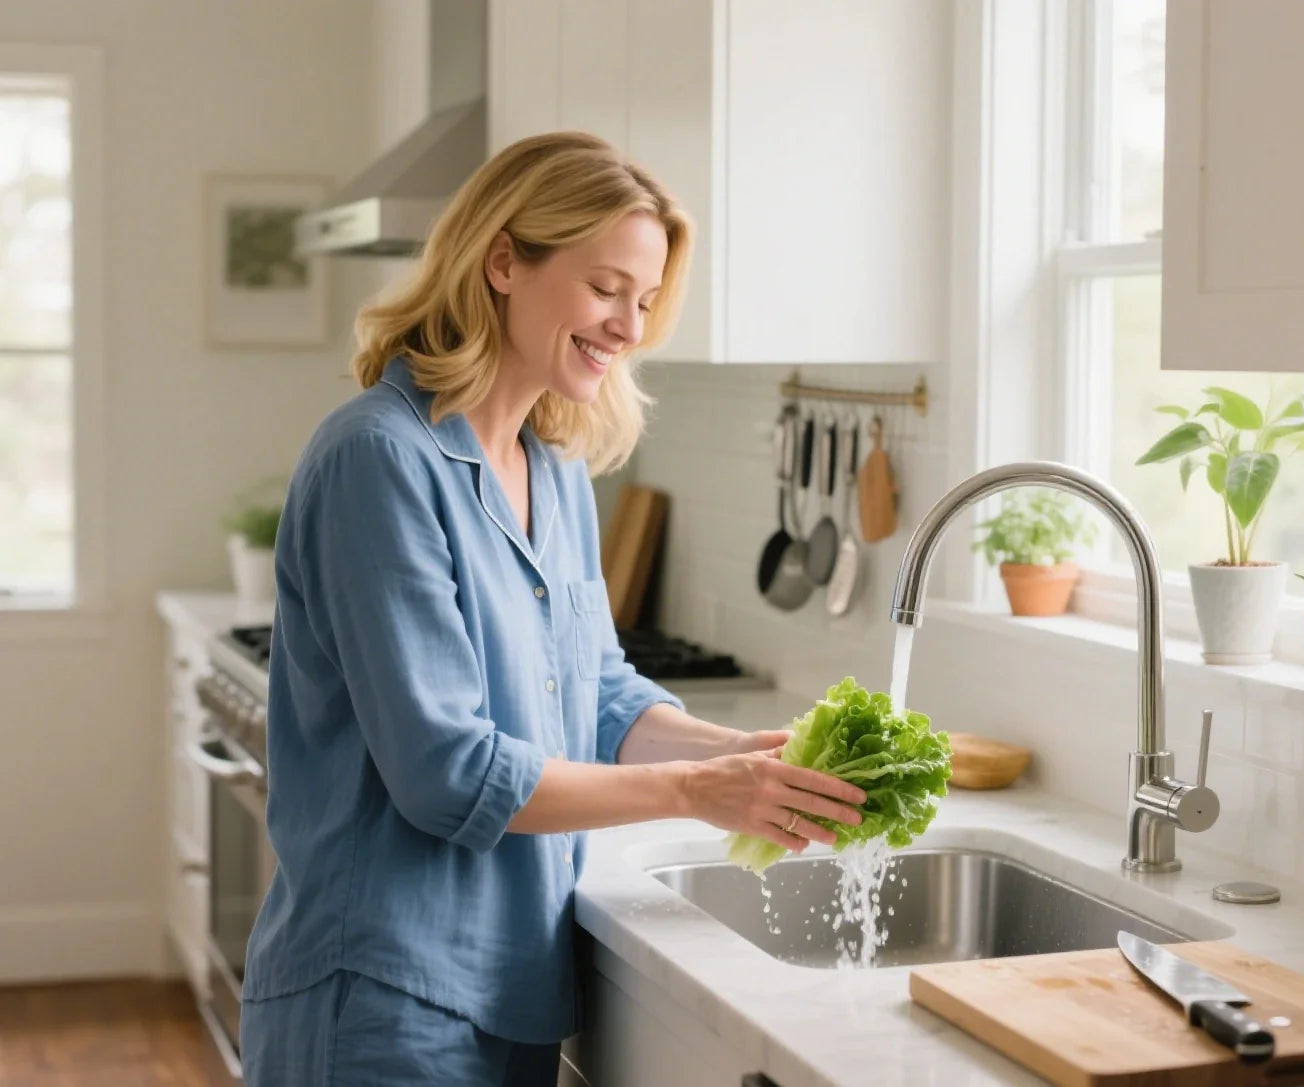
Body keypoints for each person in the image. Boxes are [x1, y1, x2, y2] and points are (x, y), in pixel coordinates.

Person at [237, 131, 867, 1086]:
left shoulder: (553, 462)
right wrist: (700, 793)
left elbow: (597, 690)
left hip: (512, 986)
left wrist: (737, 757)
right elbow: (448, 771)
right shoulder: (379, 458)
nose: (628, 327)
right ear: (503, 260)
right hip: (377, 996)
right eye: (605, 287)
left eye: (646, 302)